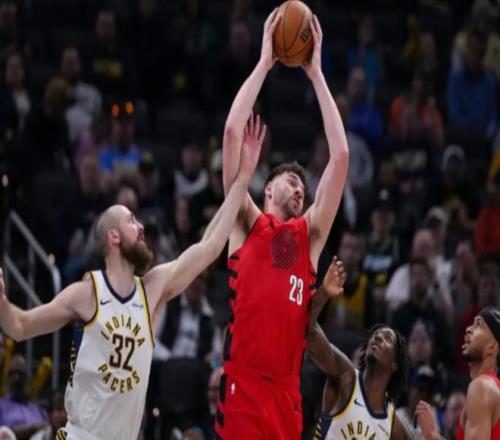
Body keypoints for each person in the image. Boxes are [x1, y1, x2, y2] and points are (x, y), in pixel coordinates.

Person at [0, 116, 265, 440]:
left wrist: (243, 178)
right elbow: (20, 325)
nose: (141, 227)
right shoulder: (87, 292)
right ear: (113, 237)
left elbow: (209, 247)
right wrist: (2, 302)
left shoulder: (152, 289)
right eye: (131, 221)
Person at [216, 9, 349, 439]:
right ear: (268, 189)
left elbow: (341, 157)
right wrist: (264, 63)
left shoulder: (308, 237)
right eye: (292, 182)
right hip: (243, 386)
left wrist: (316, 75)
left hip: (286, 395)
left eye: (304, 189)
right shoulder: (244, 220)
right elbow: (232, 131)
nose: (300, 190)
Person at [307, 262, 414, 439]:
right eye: (375, 335)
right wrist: (324, 293)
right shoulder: (346, 377)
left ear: (394, 364)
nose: (378, 338)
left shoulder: (393, 425)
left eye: (387, 338)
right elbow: (308, 333)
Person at [417, 306, 500, 440]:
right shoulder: (491, 388)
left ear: (492, 347)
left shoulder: (482, 387)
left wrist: (431, 435)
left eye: (478, 325)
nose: (468, 329)